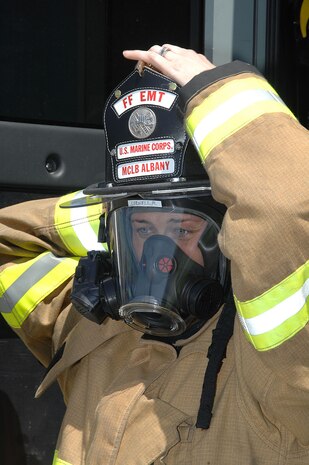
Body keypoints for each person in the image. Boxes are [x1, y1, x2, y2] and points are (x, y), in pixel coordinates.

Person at [0, 44, 308, 465]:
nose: (159, 256)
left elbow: (287, 208)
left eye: (183, 229)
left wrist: (217, 92)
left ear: (232, 237)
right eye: (142, 230)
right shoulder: (95, 332)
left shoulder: (275, 372)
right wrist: (121, 206)